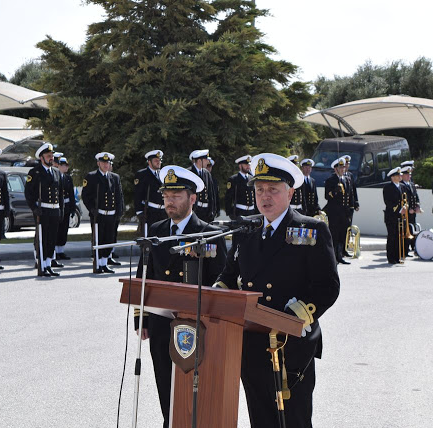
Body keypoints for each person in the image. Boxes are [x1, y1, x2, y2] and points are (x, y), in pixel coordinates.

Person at [214, 153, 340, 428]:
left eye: (273, 189)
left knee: (293, 419)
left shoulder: (311, 229)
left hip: (290, 345)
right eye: (259, 190)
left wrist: (297, 313)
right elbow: (229, 275)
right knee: (261, 418)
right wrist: (215, 297)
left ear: (290, 191)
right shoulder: (246, 230)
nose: (265, 196)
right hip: (251, 343)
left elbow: (327, 286)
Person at [134, 165, 227, 428]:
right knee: (165, 384)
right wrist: (141, 318)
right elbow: (146, 276)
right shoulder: (155, 229)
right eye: (166, 196)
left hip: (196, 326)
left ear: (192, 198)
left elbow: (221, 281)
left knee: (193, 390)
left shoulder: (209, 233)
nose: (169, 201)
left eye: (176, 196)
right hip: (162, 324)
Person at [25, 142, 64, 277]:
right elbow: (28, 193)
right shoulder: (35, 172)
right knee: (42, 238)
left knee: (52, 238)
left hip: (54, 210)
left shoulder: (57, 172)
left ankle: (48, 264)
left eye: (52, 155)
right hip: (43, 210)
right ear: (41, 158)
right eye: (48, 156)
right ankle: (41, 263)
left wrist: (61, 211)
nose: (51, 158)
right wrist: (34, 208)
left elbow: (60, 194)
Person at [82, 152, 123, 274]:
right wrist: (92, 210)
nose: (106, 165)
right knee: (98, 240)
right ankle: (98, 264)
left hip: (111, 214)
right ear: (98, 163)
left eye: (108, 163)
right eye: (104, 163)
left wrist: (119, 211)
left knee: (109, 240)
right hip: (99, 215)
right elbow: (86, 196)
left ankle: (104, 263)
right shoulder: (91, 176)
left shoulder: (115, 177)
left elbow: (119, 196)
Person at [323, 157, 351, 264]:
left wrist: (350, 209)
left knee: (342, 234)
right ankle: (333, 256)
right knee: (334, 234)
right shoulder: (331, 180)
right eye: (340, 167)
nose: (343, 169)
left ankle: (340, 255)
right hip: (334, 212)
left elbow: (349, 196)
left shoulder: (347, 180)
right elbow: (327, 196)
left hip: (344, 212)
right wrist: (335, 191)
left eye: (343, 167)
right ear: (335, 169)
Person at [134, 150, 166, 237]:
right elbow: (137, 194)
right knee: (149, 239)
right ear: (149, 162)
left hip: (162, 211)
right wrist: (139, 212)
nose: (158, 162)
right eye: (156, 160)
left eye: (159, 160)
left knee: (162, 237)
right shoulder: (142, 174)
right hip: (149, 211)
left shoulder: (162, 174)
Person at [53, 157, 76, 262]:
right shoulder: (55, 176)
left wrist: (72, 208)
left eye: (66, 165)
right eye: (63, 165)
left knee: (64, 229)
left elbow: (71, 194)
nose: (66, 167)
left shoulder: (68, 178)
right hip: (57, 206)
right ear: (58, 166)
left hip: (66, 206)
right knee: (56, 229)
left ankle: (60, 251)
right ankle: (54, 251)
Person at [383, 167, 406, 264]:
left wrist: (405, 206)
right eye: (398, 175)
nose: (400, 176)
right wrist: (400, 209)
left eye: (400, 175)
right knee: (392, 236)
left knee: (399, 236)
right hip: (391, 216)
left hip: (401, 216)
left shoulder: (402, 186)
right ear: (392, 177)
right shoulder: (388, 187)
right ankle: (391, 257)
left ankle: (398, 256)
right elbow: (388, 202)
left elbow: (405, 200)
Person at [188, 149, 217, 222]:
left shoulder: (207, 173)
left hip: (205, 211)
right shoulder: (189, 172)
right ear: (199, 161)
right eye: (205, 159)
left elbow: (211, 194)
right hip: (194, 210)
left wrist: (212, 210)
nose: (208, 161)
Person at [225, 155, 256, 219]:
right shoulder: (234, 179)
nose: (248, 167)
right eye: (246, 165)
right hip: (239, 212)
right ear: (240, 166)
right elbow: (228, 197)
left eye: (249, 165)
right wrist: (230, 212)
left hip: (252, 212)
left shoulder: (252, 178)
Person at [400, 165, 420, 256]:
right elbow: (402, 200)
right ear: (402, 175)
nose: (409, 176)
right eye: (407, 175)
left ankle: (412, 247)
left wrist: (417, 206)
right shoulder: (401, 185)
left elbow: (416, 197)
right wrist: (408, 210)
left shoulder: (411, 184)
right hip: (406, 213)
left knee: (412, 230)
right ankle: (405, 250)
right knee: (405, 231)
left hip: (412, 213)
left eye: (410, 175)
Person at [342, 155, 359, 224]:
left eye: (347, 164)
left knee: (349, 223)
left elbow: (353, 190)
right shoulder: (339, 176)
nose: (346, 166)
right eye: (345, 164)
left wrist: (356, 202)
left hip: (350, 204)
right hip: (342, 205)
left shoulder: (350, 175)